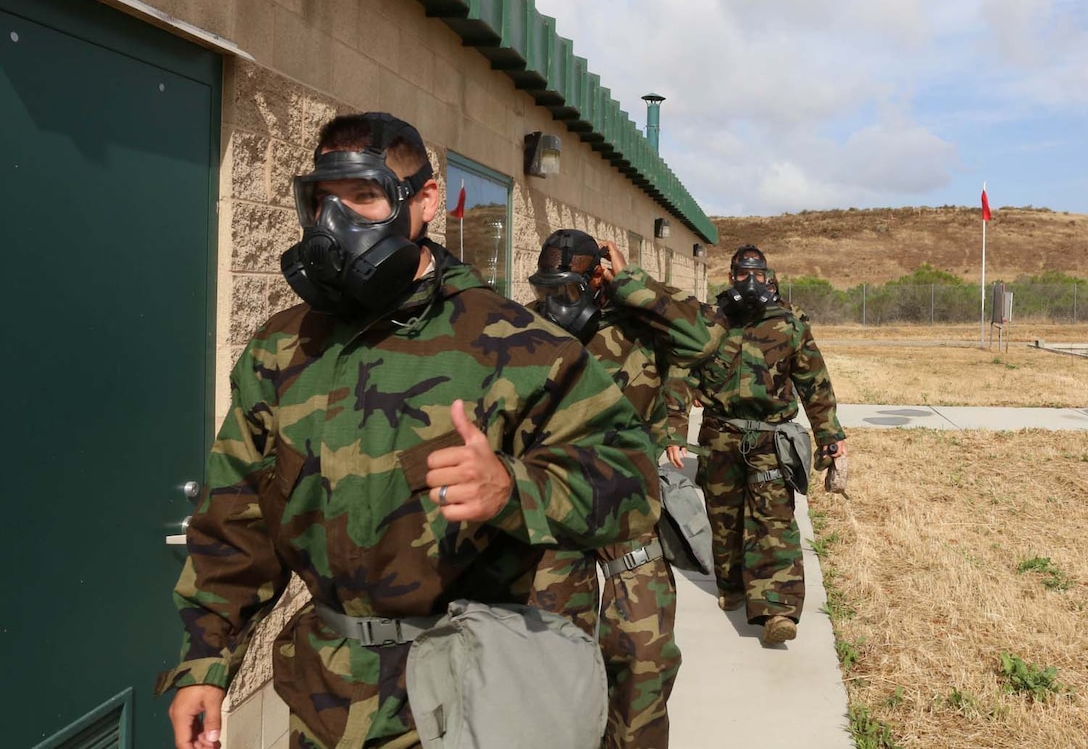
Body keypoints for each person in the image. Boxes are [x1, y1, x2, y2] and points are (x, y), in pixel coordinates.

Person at [156, 113, 660, 749]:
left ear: (423, 201)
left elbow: (635, 488)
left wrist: (514, 488)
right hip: (325, 696)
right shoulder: (283, 347)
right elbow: (237, 514)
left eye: (364, 198)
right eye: (322, 202)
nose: (337, 224)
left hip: (475, 690)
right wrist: (206, 659)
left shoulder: (521, 344)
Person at [526, 229, 723, 749]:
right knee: (550, 657)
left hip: (627, 507)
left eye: (569, 289)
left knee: (645, 656)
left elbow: (706, 338)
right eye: (548, 287)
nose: (555, 301)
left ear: (599, 277)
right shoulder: (522, 325)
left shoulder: (641, 321)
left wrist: (636, 283)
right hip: (551, 507)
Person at [666, 245, 847, 646]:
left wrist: (830, 437)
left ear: (767, 276)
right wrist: (675, 429)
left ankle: (776, 610)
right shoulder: (711, 321)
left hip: (770, 437)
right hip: (719, 436)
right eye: (741, 274)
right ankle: (731, 586)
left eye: (757, 273)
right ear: (730, 278)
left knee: (774, 520)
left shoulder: (789, 323)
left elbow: (815, 384)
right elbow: (682, 375)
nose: (750, 281)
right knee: (724, 518)